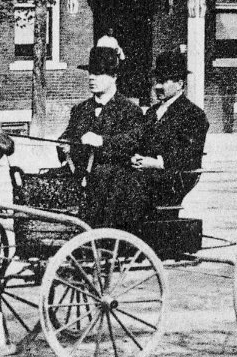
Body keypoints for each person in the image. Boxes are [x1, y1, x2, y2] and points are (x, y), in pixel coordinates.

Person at [111, 54, 210, 228]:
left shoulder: (193, 115)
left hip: (174, 177)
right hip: (146, 173)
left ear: (180, 84)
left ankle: (126, 234)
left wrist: (156, 163)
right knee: (111, 174)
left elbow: (190, 153)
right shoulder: (152, 112)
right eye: (156, 81)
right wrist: (134, 157)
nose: (157, 86)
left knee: (130, 183)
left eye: (163, 81)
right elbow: (138, 140)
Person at [57, 43, 146, 229]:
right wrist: (64, 144)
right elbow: (67, 135)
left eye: (99, 73)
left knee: (103, 178)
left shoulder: (130, 110)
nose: (91, 78)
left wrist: (101, 141)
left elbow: (133, 141)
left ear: (114, 76)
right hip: (79, 174)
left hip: (115, 180)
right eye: (90, 72)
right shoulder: (80, 109)